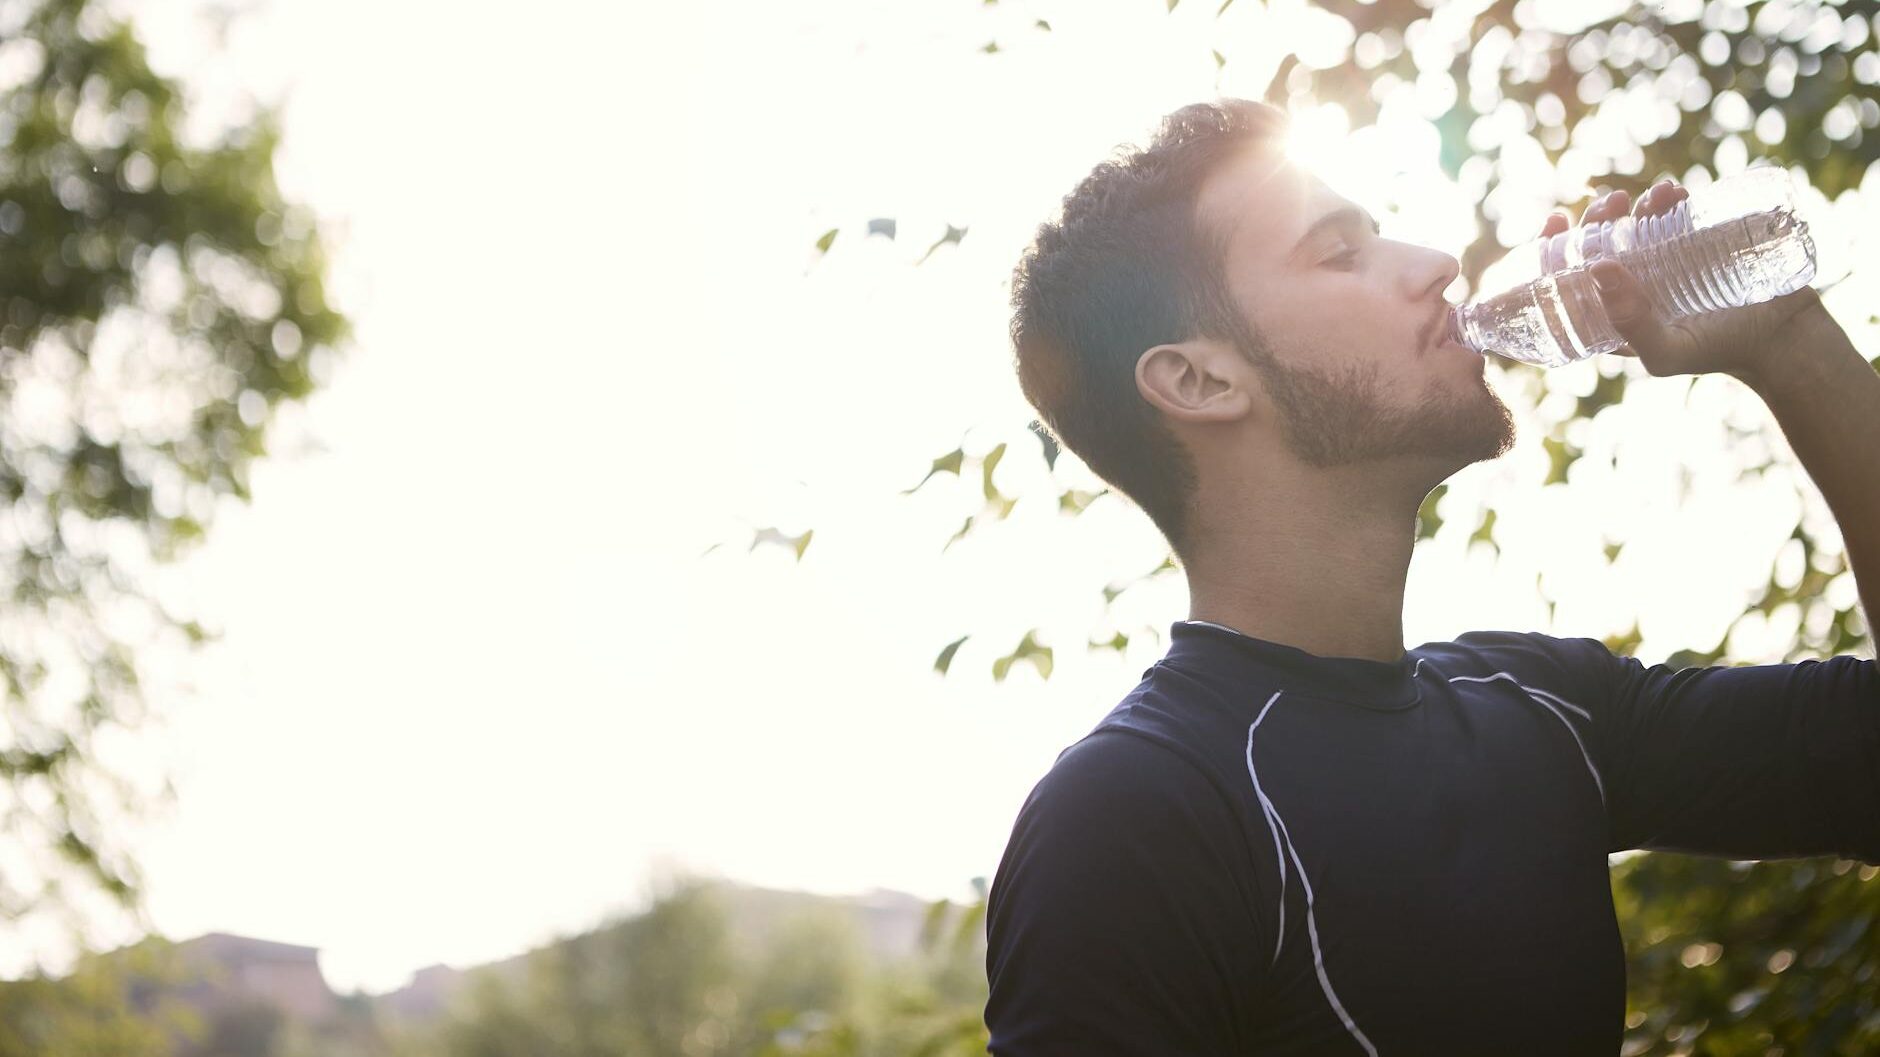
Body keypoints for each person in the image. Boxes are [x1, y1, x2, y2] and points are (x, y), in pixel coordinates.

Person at [983, 98, 1879, 1056]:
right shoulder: (1134, 816)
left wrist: (1789, 342)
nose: (1436, 265)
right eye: (1340, 252)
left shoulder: (1542, 706)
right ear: (1200, 382)